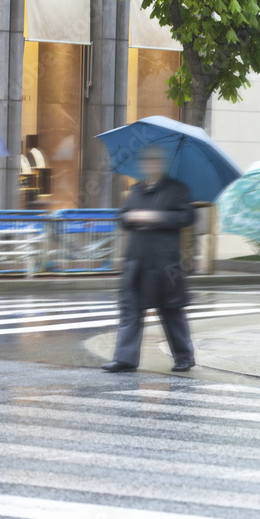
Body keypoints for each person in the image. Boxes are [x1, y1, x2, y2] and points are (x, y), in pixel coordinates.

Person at [102, 146, 196, 373]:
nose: (150, 164)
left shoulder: (177, 189)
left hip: (166, 263)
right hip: (136, 262)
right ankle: (125, 358)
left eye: (155, 160)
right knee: (130, 311)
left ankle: (184, 357)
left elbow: (187, 216)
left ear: (162, 164)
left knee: (172, 312)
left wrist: (155, 216)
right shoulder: (135, 191)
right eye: (147, 160)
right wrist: (130, 216)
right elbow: (123, 217)